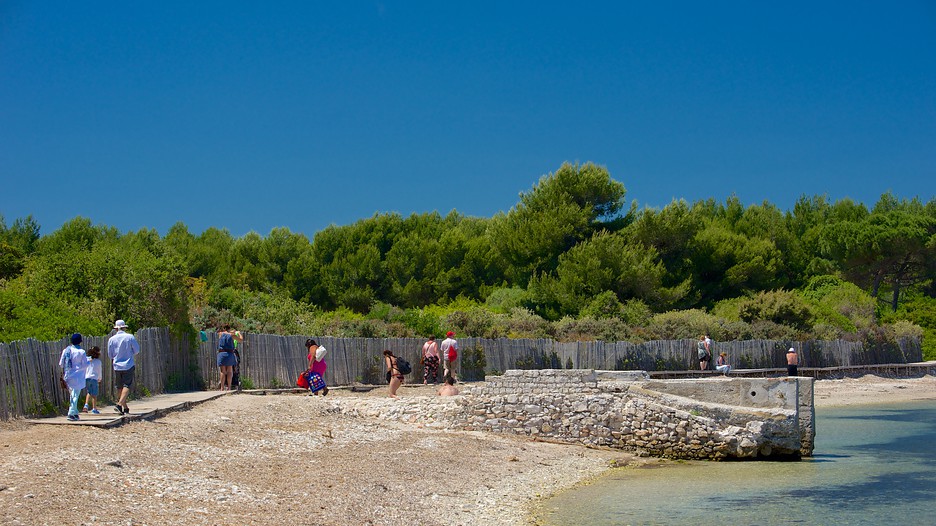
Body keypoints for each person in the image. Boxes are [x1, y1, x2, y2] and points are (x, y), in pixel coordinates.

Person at [108, 319, 140, 415]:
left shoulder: (111, 339)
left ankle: (124, 407)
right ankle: (119, 404)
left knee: (119, 386)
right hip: (128, 364)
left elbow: (110, 354)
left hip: (117, 365)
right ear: (124, 327)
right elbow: (137, 350)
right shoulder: (130, 337)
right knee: (127, 385)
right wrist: (130, 353)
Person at [59, 333, 88, 421]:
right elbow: (84, 365)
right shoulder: (81, 352)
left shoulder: (66, 350)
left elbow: (61, 364)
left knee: (72, 394)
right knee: (75, 394)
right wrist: (89, 361)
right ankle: (71, 413)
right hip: (78, 376)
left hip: (68, 374)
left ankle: (75, 413)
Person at [216, 325, 243, 391]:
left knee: (223, 371)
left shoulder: (220, 334)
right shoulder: (232, 335)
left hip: (221, 353)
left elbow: (223, 333)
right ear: (229, 329)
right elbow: (241, 340)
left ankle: (222, 387)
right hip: (230, 353)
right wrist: (238, 333)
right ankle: (229, 387)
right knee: (230, 371)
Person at [82, 346, 103, 414]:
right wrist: (100, 378)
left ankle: (86, 404)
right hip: (94, 378)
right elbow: (99, 371)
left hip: (87, 378)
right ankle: (94, 408)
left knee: (89, 392)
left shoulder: (87, 360)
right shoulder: (98, 362)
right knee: (94, 394)